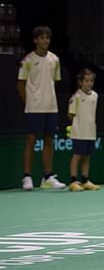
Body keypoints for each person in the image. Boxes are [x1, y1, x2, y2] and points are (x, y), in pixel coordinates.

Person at [16, 26, 66, 191]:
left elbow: (54, 82)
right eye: (42, 38)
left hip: (51, 106)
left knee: (49, 141)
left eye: (48, 38)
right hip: (34, 107)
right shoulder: (27, 61)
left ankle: (47, 177)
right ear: (35, 40)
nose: (46, 41)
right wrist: (29, 102)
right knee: (31, 141)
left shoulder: (55, 60)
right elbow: (20, 84)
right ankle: (27, 177)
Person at [67, 68, 101, 192]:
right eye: (86, 81)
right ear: (80, 82)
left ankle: (85, 180)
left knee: (87, 156)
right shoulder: (76, 97)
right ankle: (73, 181)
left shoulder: (95, 96)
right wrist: (77, 125)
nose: (89, 83)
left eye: (91, 81)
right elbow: (71, 114)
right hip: (79, 132)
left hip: (90, 132)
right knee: (77, 156)